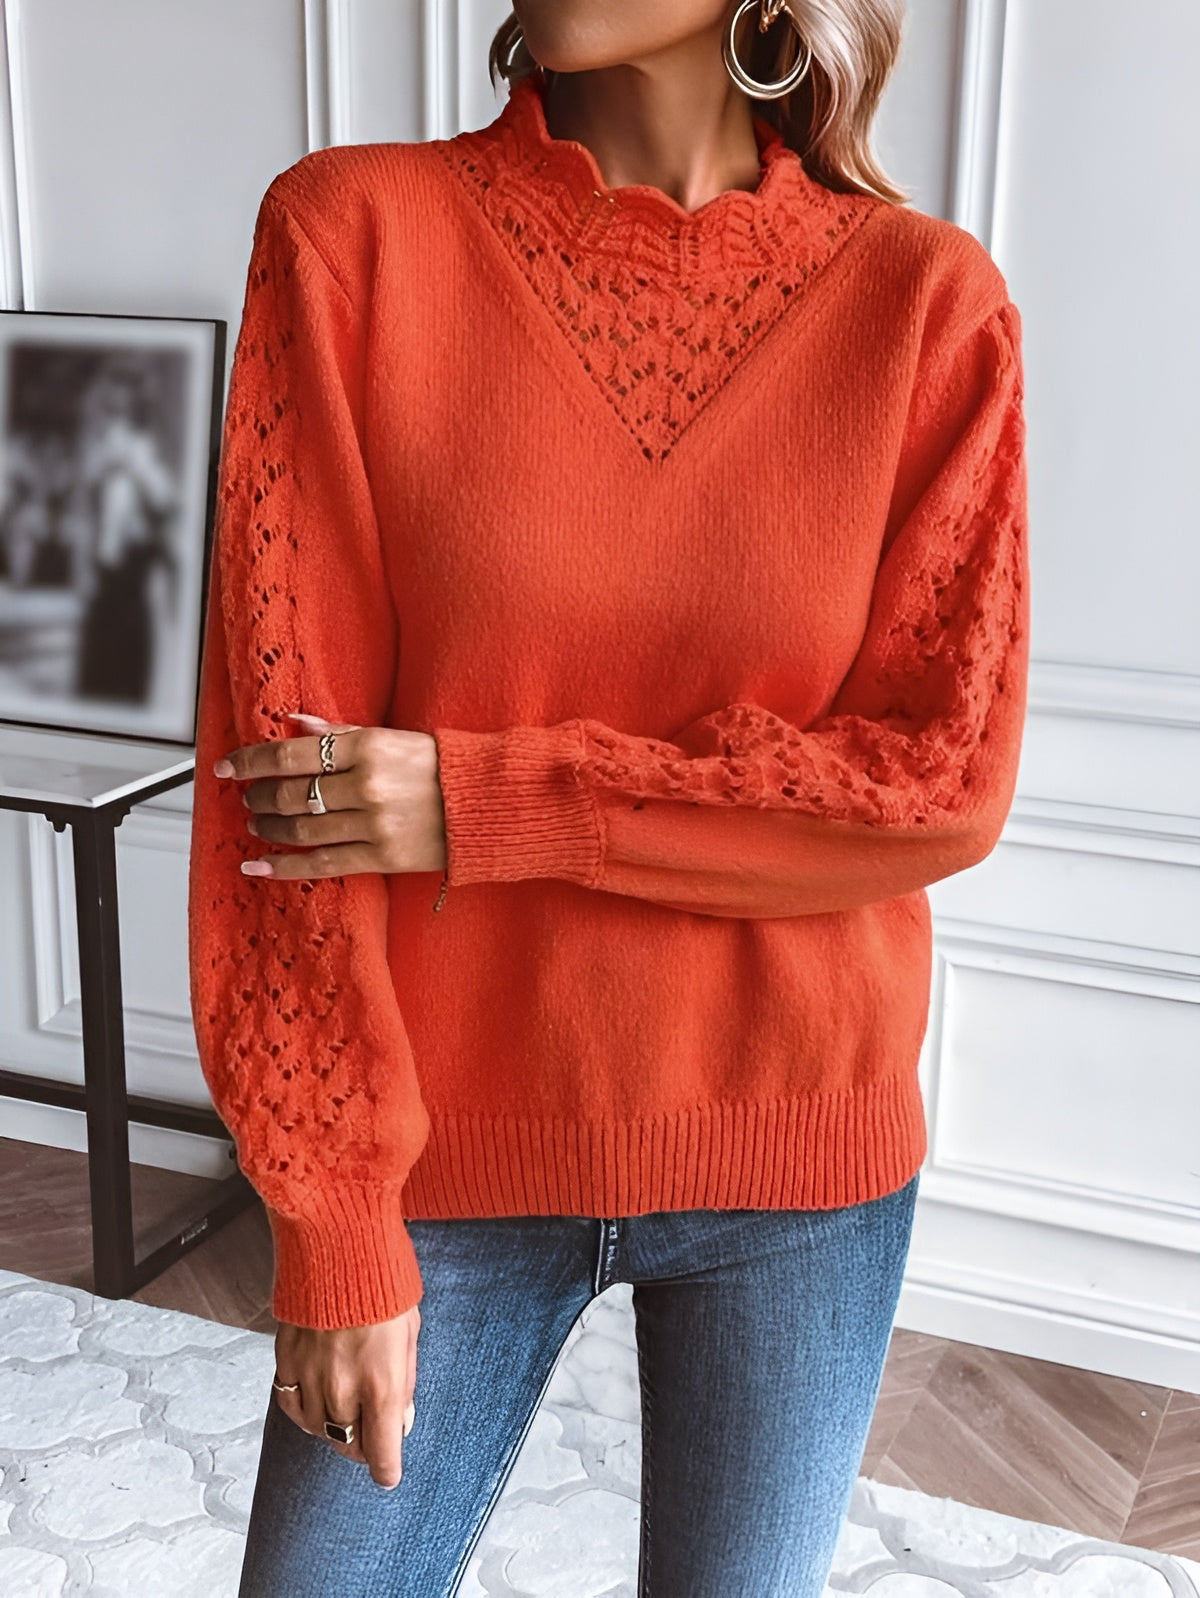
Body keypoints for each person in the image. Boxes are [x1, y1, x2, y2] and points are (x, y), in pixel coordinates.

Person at [186, 2, 1030, 1593]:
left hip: (800, 1160)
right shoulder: (352, 235)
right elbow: (280, 797)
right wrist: (334, 1219)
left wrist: (494, 801)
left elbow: (939, 779)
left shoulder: (925, 305)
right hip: (440, 1154)